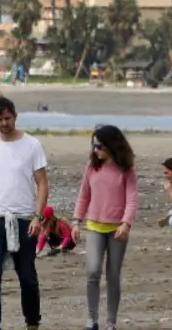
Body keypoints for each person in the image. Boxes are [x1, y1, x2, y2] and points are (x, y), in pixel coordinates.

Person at [0, 95, 48, 330]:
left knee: (27, 276)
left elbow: (42, 183)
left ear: (15, 116)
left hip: (24, 219)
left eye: (7, 118)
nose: (4, 123)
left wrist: (38, 217)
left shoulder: (32, 145)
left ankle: (32, 322)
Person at [71, 124, 139, 330]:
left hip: (118, 229)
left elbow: (132, 199)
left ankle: (111, 322)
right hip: (94, 226)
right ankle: (91, 320)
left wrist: (126, 223)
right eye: (93, 146)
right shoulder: (92, 167)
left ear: (111, 145)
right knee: (93, 271)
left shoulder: (126, 169)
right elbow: (84, 195)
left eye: (99, 146)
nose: (95, 150)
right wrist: (76, 221)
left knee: (113, 275)